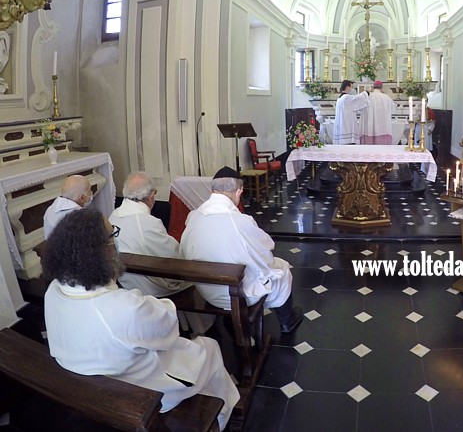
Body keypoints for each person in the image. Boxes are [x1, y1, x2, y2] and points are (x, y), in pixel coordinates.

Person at [42, 208, 239, 429]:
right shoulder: (124, 309)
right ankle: (223, 416)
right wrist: (151, 303)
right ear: (99, 251)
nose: (116, 242)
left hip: (86, 376)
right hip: (140, 389)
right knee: (209, 347)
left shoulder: (54, 291)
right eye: (112, 236)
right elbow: (168, 330)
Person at [181, 167, 303, 333]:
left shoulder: (194, 216)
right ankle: (287, 322)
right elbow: (265, 250)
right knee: (282, 269)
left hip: (205, 289)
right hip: (234, 295)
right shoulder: (240, 221)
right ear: (238, 191)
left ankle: (230, 321)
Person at [109, 171, 190, 297]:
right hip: (149, 288)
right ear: (151, 196)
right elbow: (174, 256)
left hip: (125, 283)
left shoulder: (113, 216)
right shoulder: (147, 223)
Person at [42, 174, 93, 239]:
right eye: (89, 191)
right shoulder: (80, 215)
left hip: (51, 247)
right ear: (82, 198)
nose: (91, 193)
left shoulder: (50, 209)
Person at [333, 79, 370, 144]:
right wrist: (366, 93)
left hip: (342, 124)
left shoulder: (339, 99)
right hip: (347, 125)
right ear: (347, 87)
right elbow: (357, 98)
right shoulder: (346, 97)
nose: (351, 89)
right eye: (351, 87)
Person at [360, 80, 396, 144]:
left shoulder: (368, 97)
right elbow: (393, 109)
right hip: (382, 126)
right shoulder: (386, 97)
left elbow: (360, 108)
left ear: (373, 87)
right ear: (382, 87)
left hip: (369, 126)